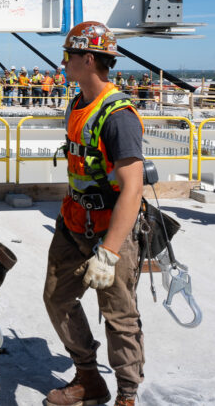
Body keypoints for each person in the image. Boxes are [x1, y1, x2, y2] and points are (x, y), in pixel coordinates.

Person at [41, 22, 144, 406]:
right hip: (73, 223)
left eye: (69, 55)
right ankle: (88, 376)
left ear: (87, 59)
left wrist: (110, 252)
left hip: (107, 231)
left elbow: (131, 188)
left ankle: (127, 395)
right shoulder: (77, 102)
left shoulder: (118, 115)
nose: (63, 62)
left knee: (118, 315)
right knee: (57, 298)